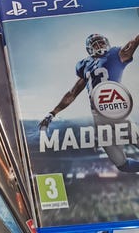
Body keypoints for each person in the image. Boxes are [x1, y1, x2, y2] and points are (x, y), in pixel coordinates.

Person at [39, 32, 139, 172]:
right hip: (98, 119)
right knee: (122, 165)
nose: (99, 45)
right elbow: (72, 93)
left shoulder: (115, 54)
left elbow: (133, 43)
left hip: (117, 111)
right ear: (89, 49)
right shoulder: (85, 65)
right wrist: (52, 113)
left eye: (101, 42)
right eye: (95, 44)